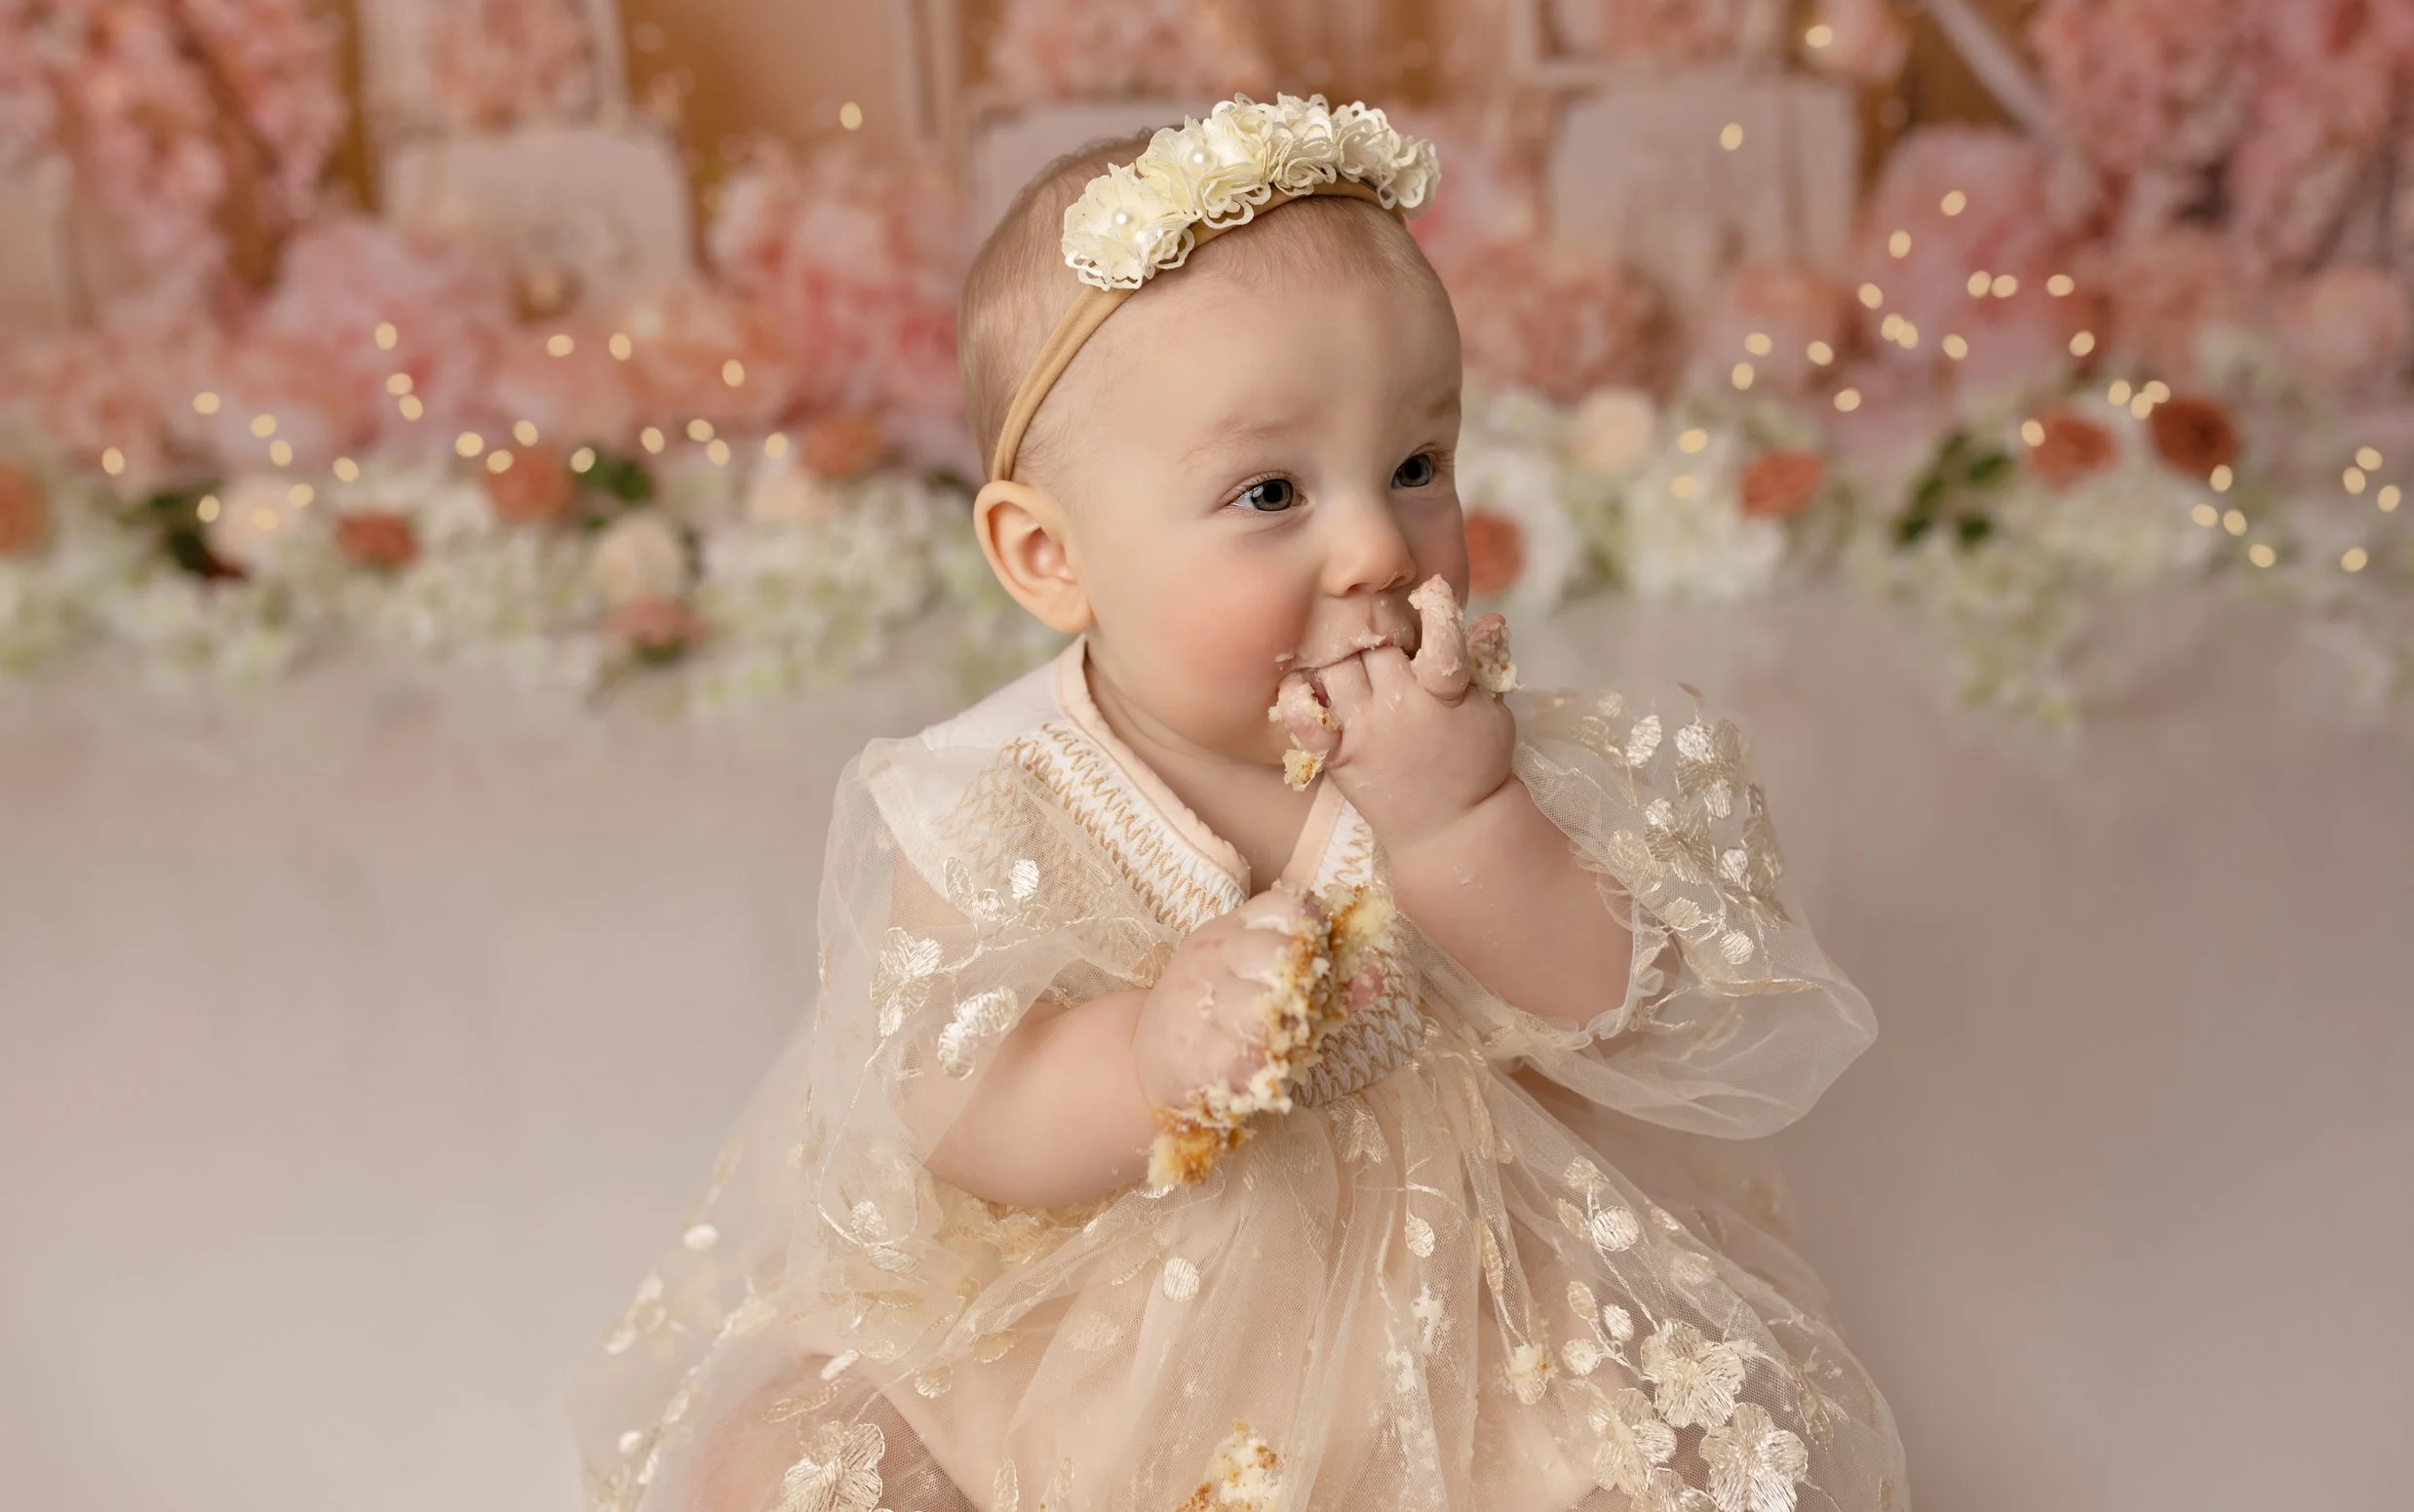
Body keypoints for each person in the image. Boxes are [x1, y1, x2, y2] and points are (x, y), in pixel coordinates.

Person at [574, 97, 1907, 1512]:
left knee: (1671, 1459)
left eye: (1416, 464)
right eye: (1271, 488)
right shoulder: (997, 798)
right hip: (1097, 1328)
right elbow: (958, 1106)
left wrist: (1464, 825)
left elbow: (1617, 998)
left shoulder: (1464, 745)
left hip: (1458, 1304)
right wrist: (1143, 1056)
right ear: (1047, 554)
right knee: (794, 1458)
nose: (1376, 545)